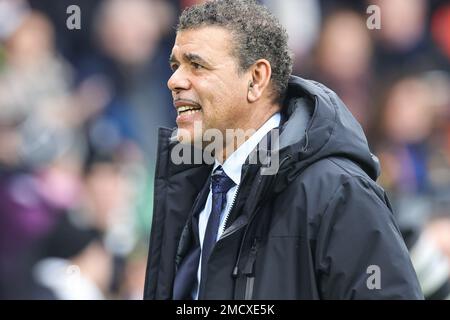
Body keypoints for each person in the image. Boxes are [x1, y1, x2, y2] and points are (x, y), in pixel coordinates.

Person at [143, 0, 423, 300]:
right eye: (175, 65)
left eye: (196, 65)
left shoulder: (338, 193)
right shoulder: (193, 187)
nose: (174, 80)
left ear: (256, 79)